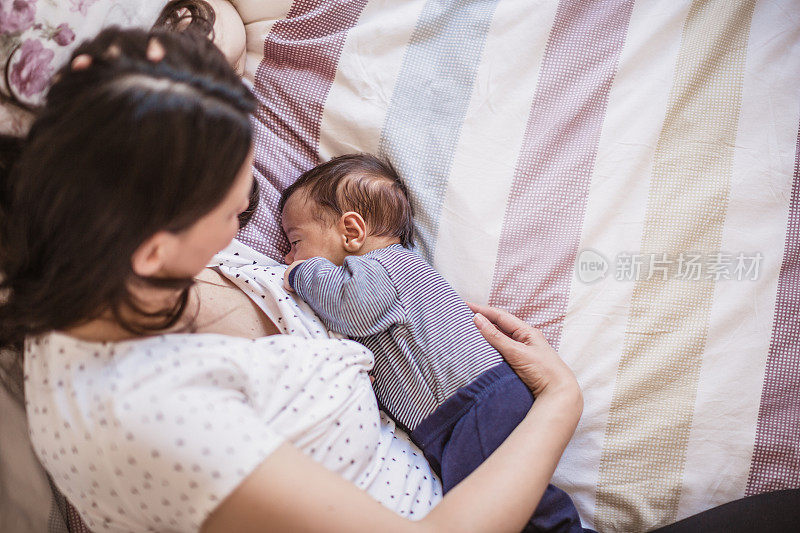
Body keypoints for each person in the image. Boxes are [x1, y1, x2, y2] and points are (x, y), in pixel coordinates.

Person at [0, 26, 583, 532]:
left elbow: (219, 32)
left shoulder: (115, 244)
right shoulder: (149, 416)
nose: (250, 219)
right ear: (155, 251)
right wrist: (559, 401)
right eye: (238, 211)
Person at [279, 153, 589, 532]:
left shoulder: (382, 268)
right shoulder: (382, 270)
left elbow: (354, 308)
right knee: (502, 500)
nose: (286, 256)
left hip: (471, 403)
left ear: (352, 232)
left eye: (296, 241)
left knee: (506, 506)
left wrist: (302, 273)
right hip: (459, 411)